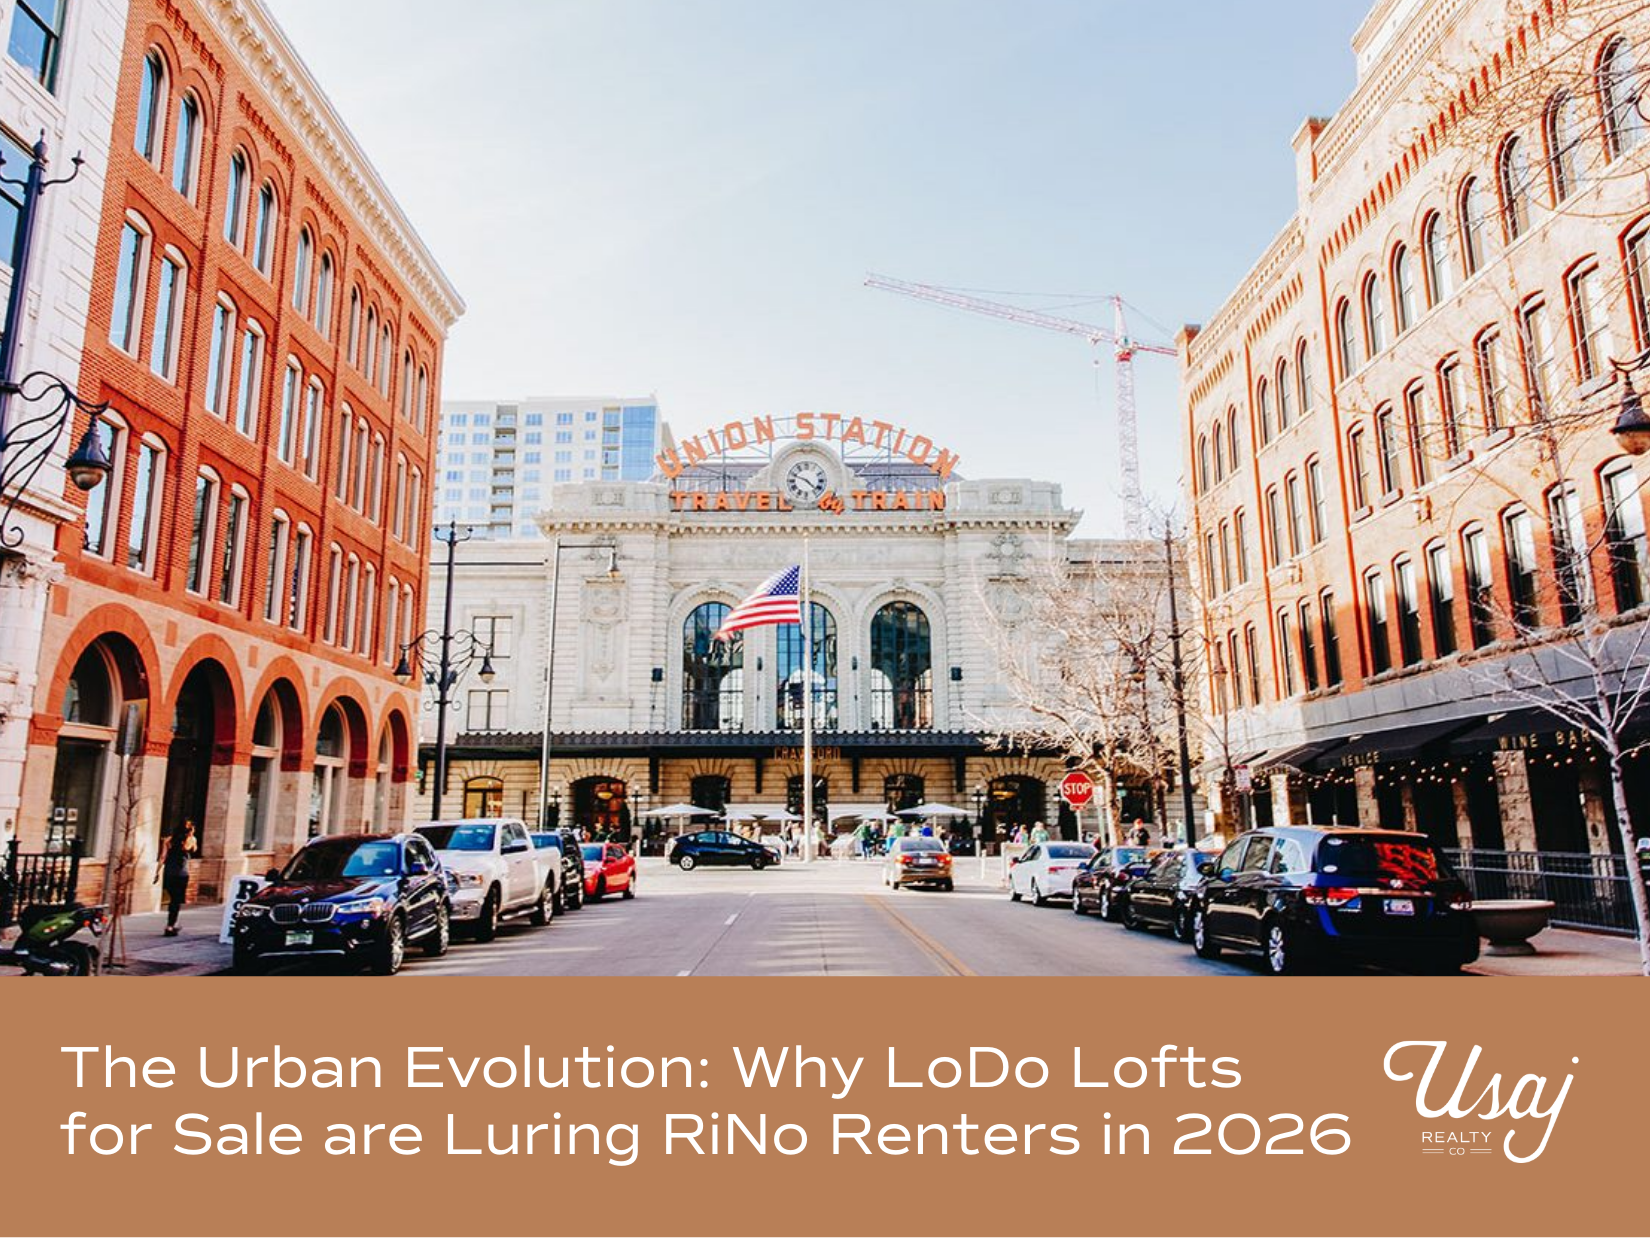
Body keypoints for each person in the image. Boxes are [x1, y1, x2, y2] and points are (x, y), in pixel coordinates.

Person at [158, 821, 196, 937]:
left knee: (171, 899)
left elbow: (163, 857)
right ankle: (170, 925)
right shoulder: (191, 840)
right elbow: (193, 849)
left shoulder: (168, 840)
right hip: (181, 874)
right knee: (176, 901)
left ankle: (171, 924)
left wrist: (157, 872)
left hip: (169, 872)